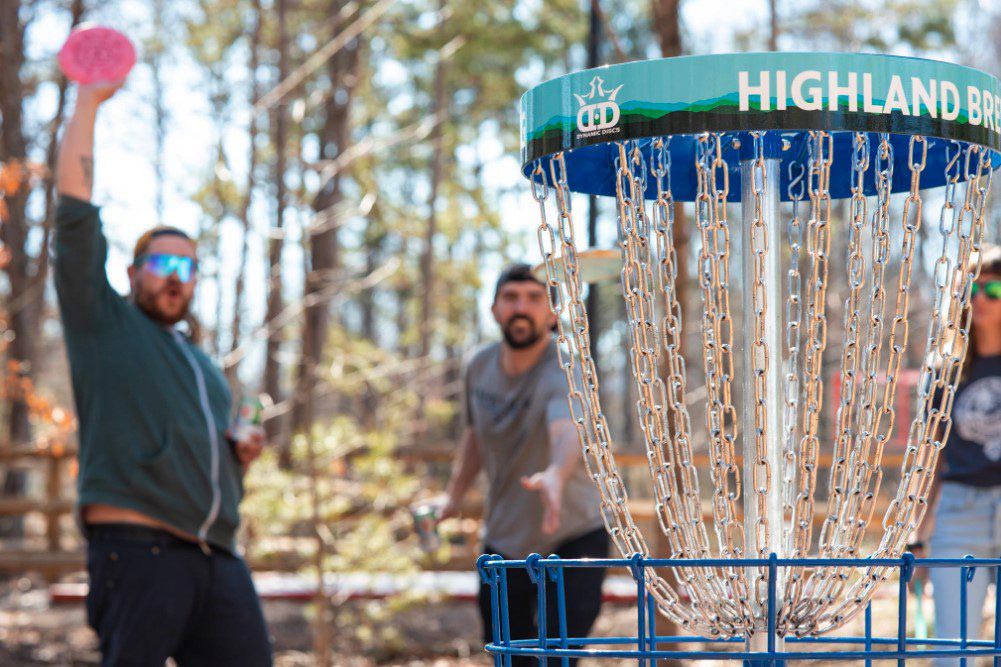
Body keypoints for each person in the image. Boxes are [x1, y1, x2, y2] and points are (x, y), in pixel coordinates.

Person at [54, 79, 272, 666]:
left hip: (218, 557)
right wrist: (88, 101)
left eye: (188, 266)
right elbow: (74, 217)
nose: (176, 275)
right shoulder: (104, 326)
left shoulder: (203, 365)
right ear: (133, 273)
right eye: (162, 262)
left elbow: (211, 454)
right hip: (138, 550)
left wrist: (240, 452)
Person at [439, 263, 608, 666]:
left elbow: (566, 428)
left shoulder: (567, 366)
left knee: (556, 660)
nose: (521, 307)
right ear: (494, 309)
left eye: (535, 298)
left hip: (573, 534)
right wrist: (452, 498)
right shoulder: (478, 366)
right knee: (508, 658)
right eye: (511, 297)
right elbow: (475, 437)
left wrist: (556, 474)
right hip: (505, 537)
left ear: (552, 314)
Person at [911, 243, 1001, 666]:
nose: (981, 299)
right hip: (959, 513)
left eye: (994, 290)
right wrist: (918, 536)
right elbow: (931, 460)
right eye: (972, 289)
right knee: (952, 651)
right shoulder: (945, 371)